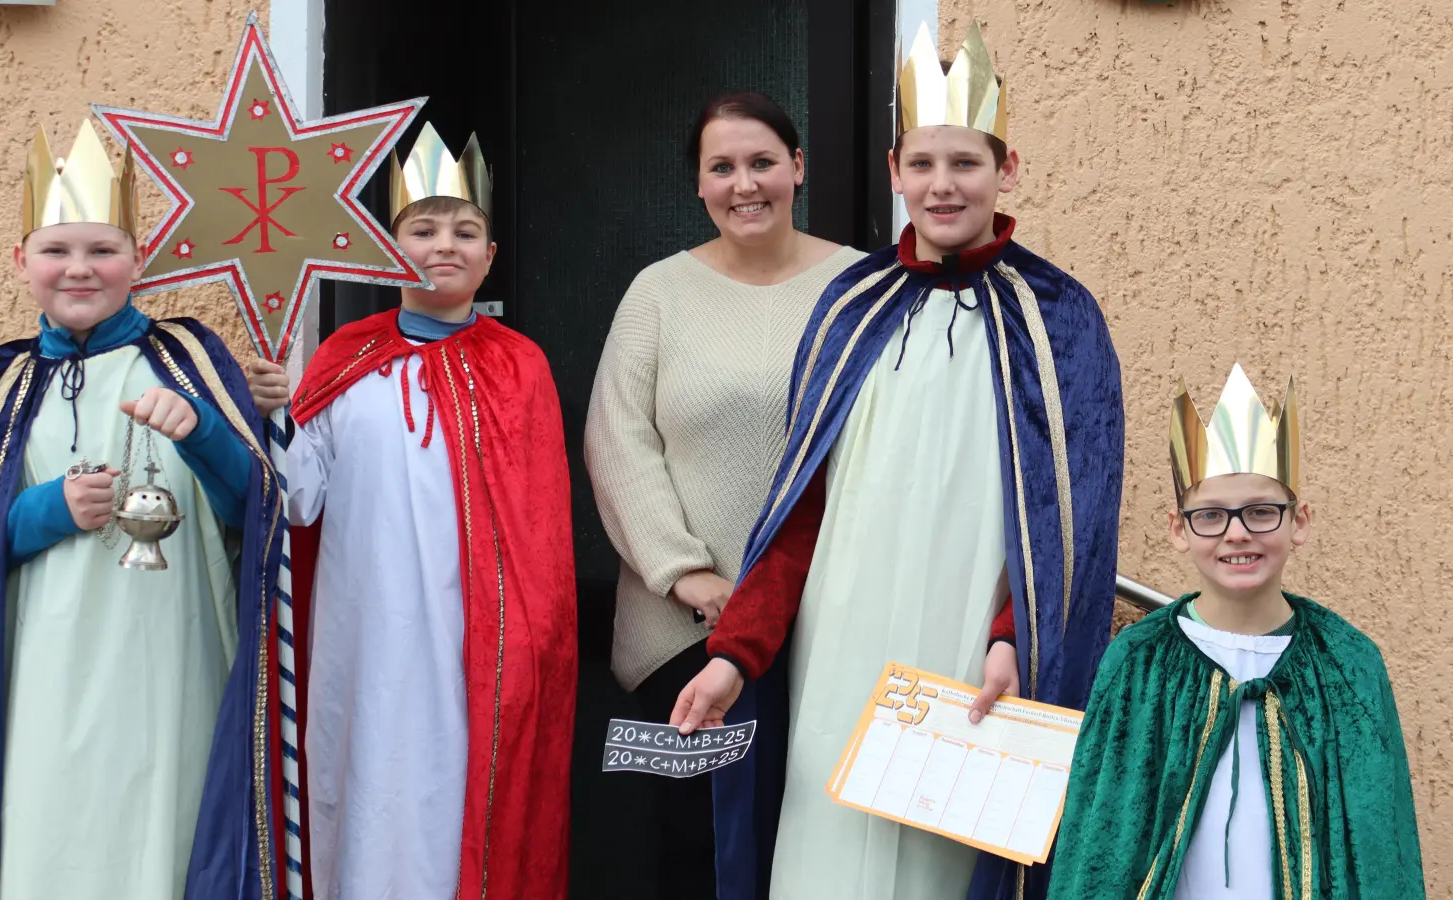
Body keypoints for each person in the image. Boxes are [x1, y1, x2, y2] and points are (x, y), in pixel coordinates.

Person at [669, 23, 1125, 900]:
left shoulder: (1059, 319)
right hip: (839, 661)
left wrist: (1013, 644)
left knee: (946, 866)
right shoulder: (852, 306)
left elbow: (1077, 521)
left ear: (1009, 168)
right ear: (893, 171)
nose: (943, 186)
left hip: (975, 668)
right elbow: (800, 510)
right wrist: (736, 655)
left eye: (966, 163)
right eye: (923, 164)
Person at [0, 120, 284, 900]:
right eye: (56, 250)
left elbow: (252, 514)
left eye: (102, 250)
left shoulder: (188, 359)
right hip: (43, 664)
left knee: (159, 825)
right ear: (21, 262)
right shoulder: (3, 383)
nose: (79, 269)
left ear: (137, 259)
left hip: (168, 651)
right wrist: (49, 509)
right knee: (50, 834)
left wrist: (204, 437)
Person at [245, 124, 577, 900]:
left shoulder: (520, 365)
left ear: (490, 255)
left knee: (456, 797)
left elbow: (540, 534)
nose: (443, 246)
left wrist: (527, 648)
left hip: (471, 643)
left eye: (466, 231)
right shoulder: (342, 358)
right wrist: (272, 419)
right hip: (363, 635)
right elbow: (301, 497)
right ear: (383, 249)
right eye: (421, 229)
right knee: (363, 786)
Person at [582, 91, 862, 898]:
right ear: (699, 186)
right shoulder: (658, 294)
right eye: (723, 167)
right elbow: (617, 440)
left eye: (763, 162)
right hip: (686, 630)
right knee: (701, 851)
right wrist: (685, 572)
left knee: (814, 839)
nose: (746, 183)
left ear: (798, 168)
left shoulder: (859, 290)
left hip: (824, 622)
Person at [1048, 365, 1424, 900]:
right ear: (1180, 529)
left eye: (1261, 512)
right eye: (1211, 516)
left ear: (1300, 521)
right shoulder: (1138, 660)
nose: (1238, 532)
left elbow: (1381, 846)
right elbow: (1099, 831)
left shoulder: (1348, 662)